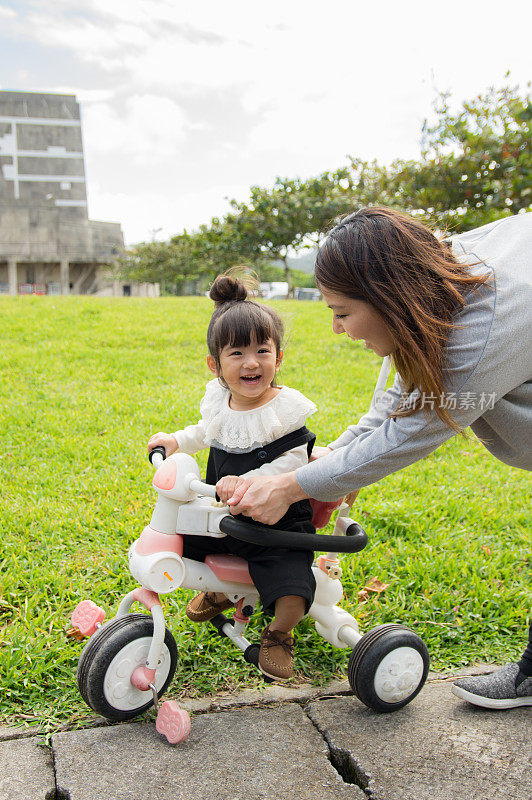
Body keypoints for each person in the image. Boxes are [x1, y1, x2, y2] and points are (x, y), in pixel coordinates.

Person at [224, 208, 532, 709]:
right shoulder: (435, 289)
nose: (338, 329)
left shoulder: (487, 324)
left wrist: (290, 486)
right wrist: (329, 459)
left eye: (341, 311)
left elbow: (409, 430)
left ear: (388, 296)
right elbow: (394, 406)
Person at [148, 270, 318, 681]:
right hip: (222, 516)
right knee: (184, 541)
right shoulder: (221, 402)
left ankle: (279, 633)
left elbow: (292, 463)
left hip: (275, 525)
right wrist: (175, 441)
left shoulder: (284, 412)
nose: (251, 362)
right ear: (216, 365)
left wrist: (251, 481)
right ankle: (223, 590)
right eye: (237, 353)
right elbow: (206, 432)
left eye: (262, 350)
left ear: (278, 358)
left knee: (293, 587)